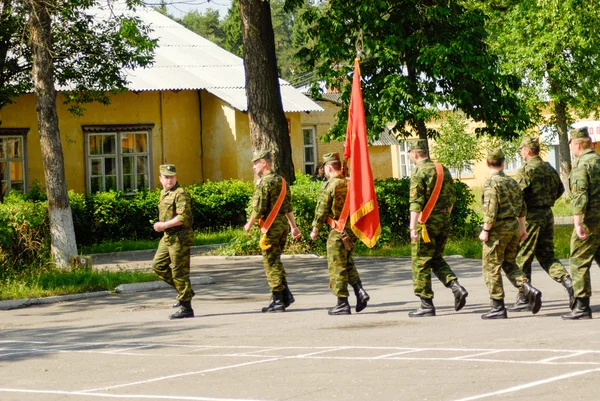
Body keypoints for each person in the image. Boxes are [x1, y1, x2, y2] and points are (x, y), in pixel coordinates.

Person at [511, 136, 574, 312]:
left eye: (522, 149)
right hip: (548, 214)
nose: (521, 152)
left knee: (523, 257)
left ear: (528, 150)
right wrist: (546, 200)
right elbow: (561, 189)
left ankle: (524, 296)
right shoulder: (549, 168)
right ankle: (568, 282)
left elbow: (518, 196)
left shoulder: (526, 170)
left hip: (531, 217)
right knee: (547, 256)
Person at [407, 140, 468, 317]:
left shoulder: (419, 171)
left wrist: (412, 228)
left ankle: (426, 304)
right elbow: (451, 197)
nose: (410, 156)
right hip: (443, 219)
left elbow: (415, 202)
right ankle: (456, 287)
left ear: (415, 154)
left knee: (421, 261)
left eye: (410, 153)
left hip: (425, 223)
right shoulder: (442, 168)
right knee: (436, 259)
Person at [480, 149, 542, 319]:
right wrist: (522, 229)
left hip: (498, 230)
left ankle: (498, 306)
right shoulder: (512, 182)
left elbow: (491, 211)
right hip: (513, 226)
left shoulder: (492, 183)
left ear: (487, 163)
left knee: (491, 267)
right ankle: (528, 288)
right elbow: (523, 207)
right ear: (503, 163)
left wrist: (485, 230)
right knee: (509, 264)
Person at [310, 152, 370, 315]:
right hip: (351, 230)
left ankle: (342, 303)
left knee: (337, 266)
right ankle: (360, 292)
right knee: (347, 263)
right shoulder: (351, 183)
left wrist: (315, 229)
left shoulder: (331, 185)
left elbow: (322, 210)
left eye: (325, 168)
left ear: (329, 167)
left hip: (337, 231)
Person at [244, 150, 301, 313]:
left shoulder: (264, 183)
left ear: (264, 163)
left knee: (271, 263)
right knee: (276, 260)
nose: (254, 167)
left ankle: (277, 301)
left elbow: (258, 208)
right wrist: (293, 227)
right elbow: (288, 206)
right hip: (282, 226)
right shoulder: (282, 181)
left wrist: (249, 224)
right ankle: (285, 295)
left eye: (256, 163)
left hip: (270, 228)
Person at [562, 127, 600, 320]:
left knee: (578, 260)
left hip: (591, 218)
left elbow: (580, 195)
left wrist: (578, 222)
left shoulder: (581, 165)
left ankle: (582, 307)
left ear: (577, 144)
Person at [152, 164, 195, 319]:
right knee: (158, 265)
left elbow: (183, 217)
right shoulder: (164, 193)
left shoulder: (180, 193)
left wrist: (164, 225)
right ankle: (185, 291)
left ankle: (186, 308)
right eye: (166, 177)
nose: (169, 180)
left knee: (179, 271)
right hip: (168, 236)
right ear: (160, 179)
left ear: (176, 177)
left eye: (171, 176)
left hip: (180, 237)